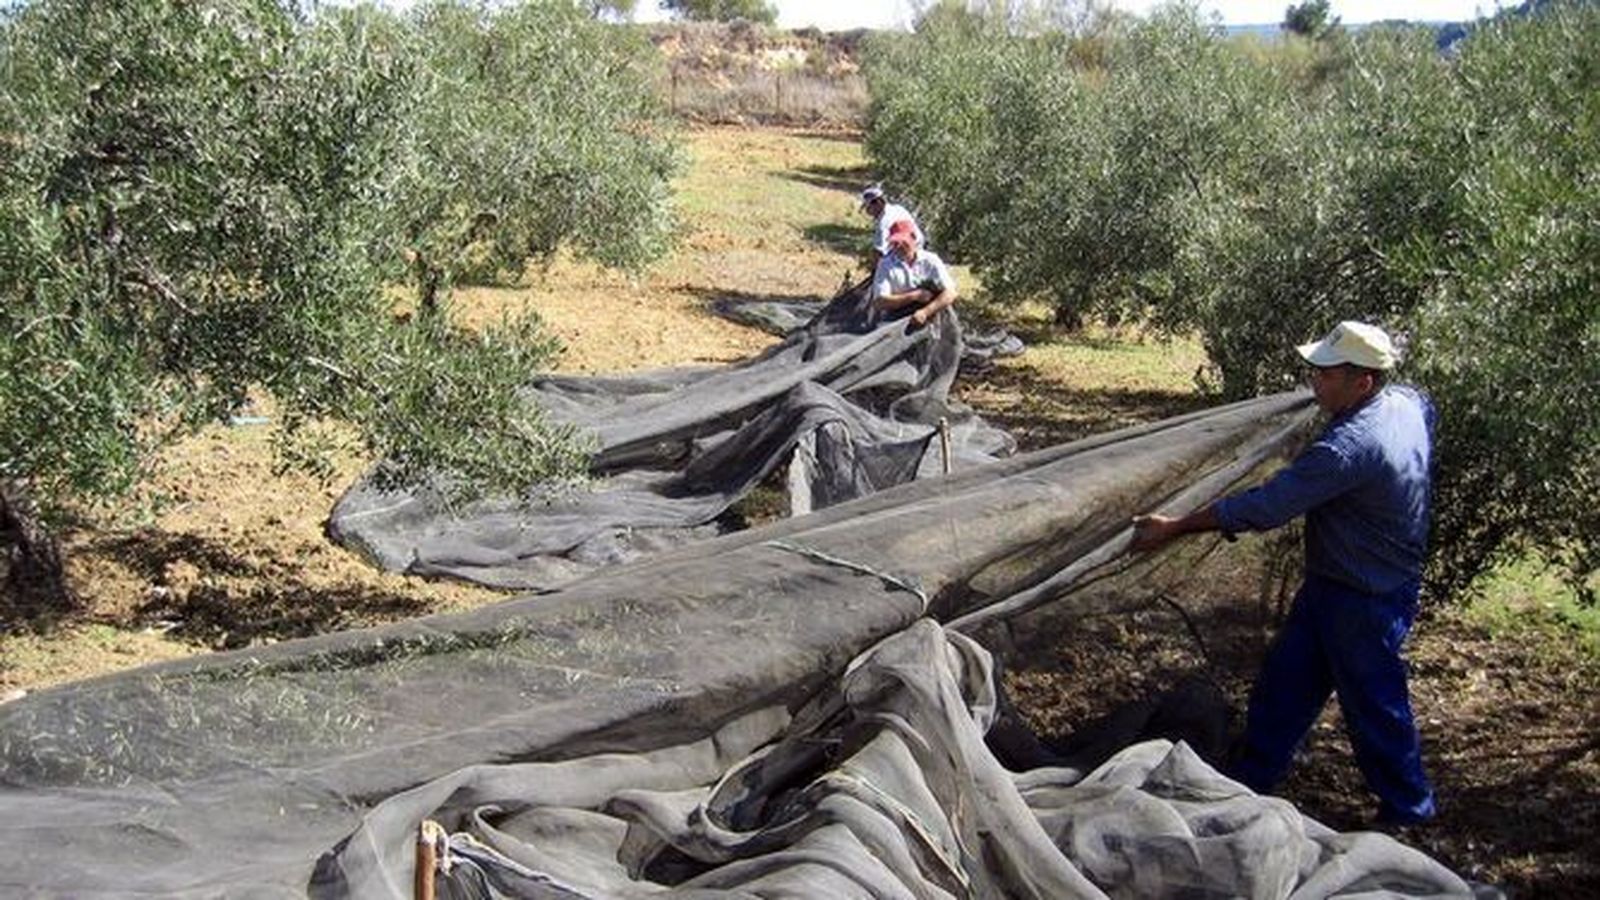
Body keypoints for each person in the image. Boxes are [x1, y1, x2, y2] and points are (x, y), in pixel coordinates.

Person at [1129, 321, 1439, 826]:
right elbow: (1427, 410)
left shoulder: (1348, 449)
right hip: (1333, 587)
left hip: (1367, 599)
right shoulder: (1406, 402)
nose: (1314, 382)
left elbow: (1268, 507)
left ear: (1362, 383)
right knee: (1284, 687)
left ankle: (1409, 810)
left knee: (1375, 705)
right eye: (1314, 371)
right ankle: (1249, 781)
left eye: (1326, 375)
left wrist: (1176, 525)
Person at [872, 219, 957, 328]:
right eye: (895, 243)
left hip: (934, 316)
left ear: (913, 237)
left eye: (902, 241)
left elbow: (951, 292)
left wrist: (925, 312)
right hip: (896, 319)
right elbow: (879, 302)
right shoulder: (885, 265)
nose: (898, 246)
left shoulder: (930, 260)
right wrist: (913, 296)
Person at [860, 184, 925, 269]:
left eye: (869, 207)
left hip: (906, 256)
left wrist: (876, 274)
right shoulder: (898, 208)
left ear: (878, 202)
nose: (868, 212)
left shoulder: (883, 223)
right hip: (919, 251)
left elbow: (879, 253)